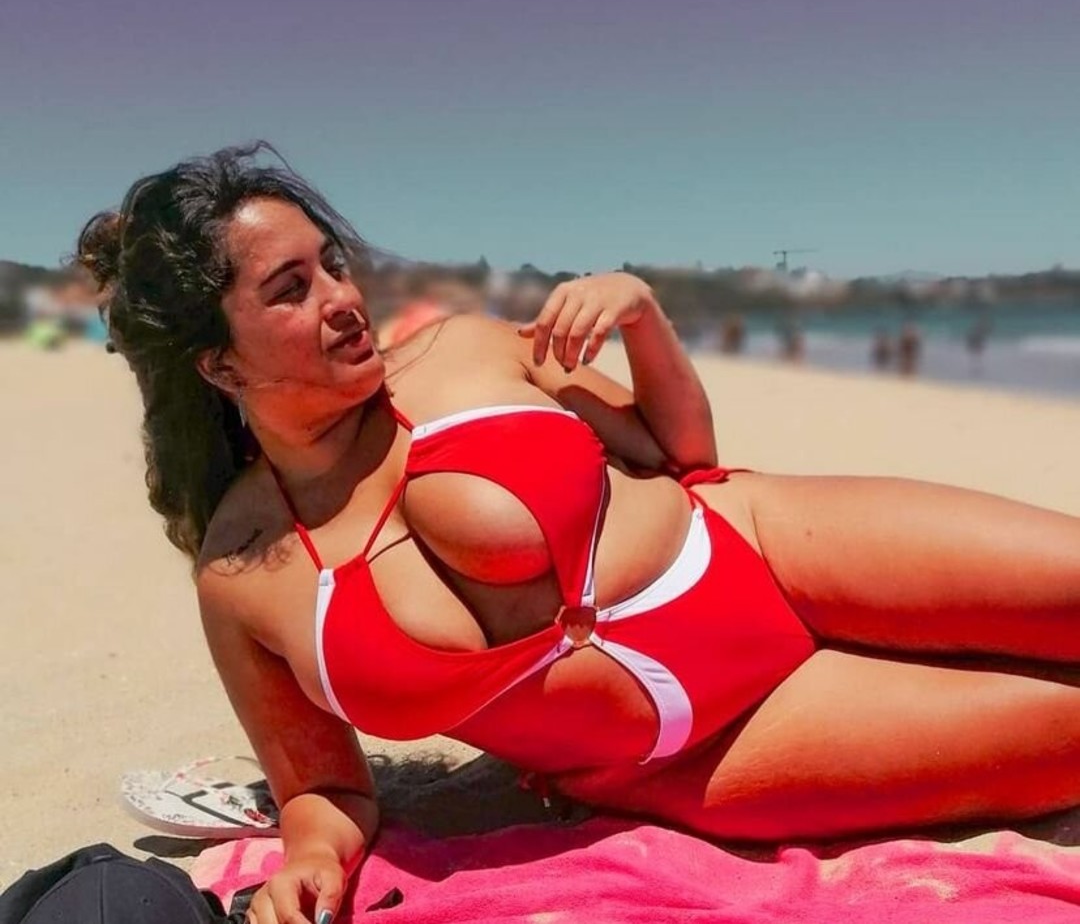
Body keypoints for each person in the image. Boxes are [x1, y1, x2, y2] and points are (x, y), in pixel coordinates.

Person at [79, 146, 1080, 924]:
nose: (342, 298)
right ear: (218, 364)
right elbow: (326, 786)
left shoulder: (463, 350)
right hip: (705, 749)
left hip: (771, 545)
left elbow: (682, 452)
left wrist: (641, 317)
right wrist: (310, 857)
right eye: (289, 288)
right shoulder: (243, 573)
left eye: (333, 264)